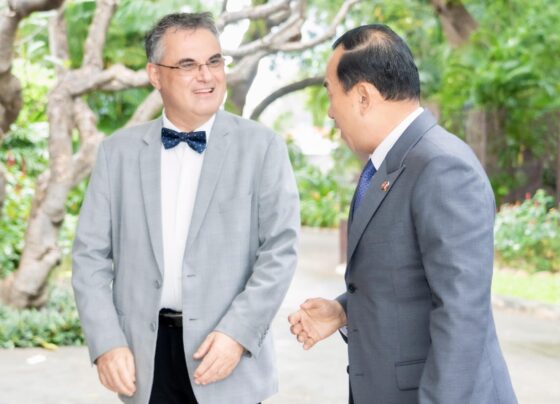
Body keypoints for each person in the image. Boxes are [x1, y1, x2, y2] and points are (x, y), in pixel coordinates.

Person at [72, 12, 299, 404]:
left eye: (214, 61)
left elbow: (280, 250)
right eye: (188, 65)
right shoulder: (116, 153)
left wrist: (237, 333)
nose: (206, 76)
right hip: (145, 360)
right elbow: (89, 257)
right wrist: (107, 341)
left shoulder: (263, 147)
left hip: (226, 355)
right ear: (155, 75)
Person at [288, 24, 517, 404]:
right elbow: (407, 281)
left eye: (331, 94)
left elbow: (461, 314)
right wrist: (344, 311)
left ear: (363, 96)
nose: (329, 112)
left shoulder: (442, 166)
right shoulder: (389, 165)